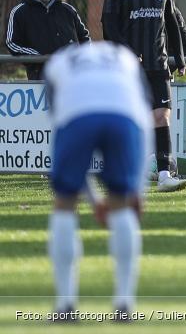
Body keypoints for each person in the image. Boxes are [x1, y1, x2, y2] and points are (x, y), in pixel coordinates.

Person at [44, 42, 152, 320]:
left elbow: (61, 122)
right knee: (121, 203)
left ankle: (66, 305)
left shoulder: (58, 61)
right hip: (124, 115)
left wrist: (92, 201)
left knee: (65, 200)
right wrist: (137, 191)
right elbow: (144, 119)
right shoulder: (125, 57)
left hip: (78, 115)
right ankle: (124, 305)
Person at [102, 0, 186, 193]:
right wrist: (128, 53)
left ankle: (164, 175)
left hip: (158, 65)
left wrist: (180, 58)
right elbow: (109, 27)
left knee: (162, 116)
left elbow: (171, 22)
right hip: (128, 68)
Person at [5, 0, 90, 80]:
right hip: (41, 76)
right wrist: (38, 57)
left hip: (73, 76)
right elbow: (12, 43)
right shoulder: (19, 12)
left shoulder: (68, 10)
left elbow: (84, 38)